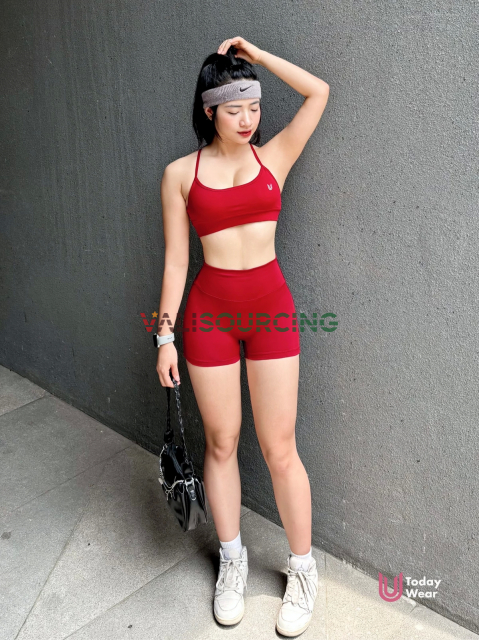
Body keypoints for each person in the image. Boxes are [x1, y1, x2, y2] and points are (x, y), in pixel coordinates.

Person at [156, 36, 329, 637]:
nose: (249, 119)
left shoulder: (273, 157)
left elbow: (318, 93)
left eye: (254, 107)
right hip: (208, 316)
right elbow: (176, 262)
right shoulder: (180, 175)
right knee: (222, 442)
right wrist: (164, 337)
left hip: (271, 310)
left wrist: (259, 58)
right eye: (235, 109)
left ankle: (303, 570)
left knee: (280, 447)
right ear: (210, 111)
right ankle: (232, 562)